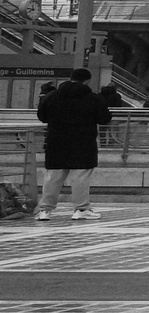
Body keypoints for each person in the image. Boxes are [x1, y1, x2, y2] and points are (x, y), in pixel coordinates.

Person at [34, 68, 112, 221]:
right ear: (87, 80)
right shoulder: (93, 98)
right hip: (83, 143)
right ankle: (81, 209)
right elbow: (104, 118)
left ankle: (45, 210)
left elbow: (42, 116)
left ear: (71, 78)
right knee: (80, 177)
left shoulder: (51, 96)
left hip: (56, 142)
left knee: (53, 177)